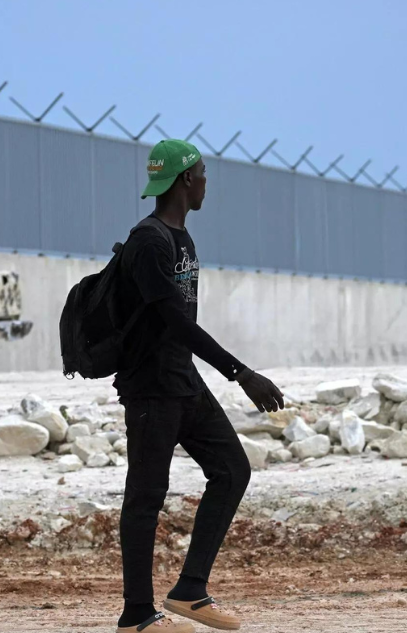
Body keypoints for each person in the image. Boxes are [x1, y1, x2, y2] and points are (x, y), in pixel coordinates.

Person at [113, 140, 286, 633]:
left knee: (231, 470)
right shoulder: (148, 241)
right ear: (187, 179)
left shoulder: (181, 239)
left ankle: (190, 590)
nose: (208, 182)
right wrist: (241, 373)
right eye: (204, 173)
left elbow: (180, 326)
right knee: (145, 498)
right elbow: (174, 321)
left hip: (182, 380)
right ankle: (137, 616)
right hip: (151, 387)